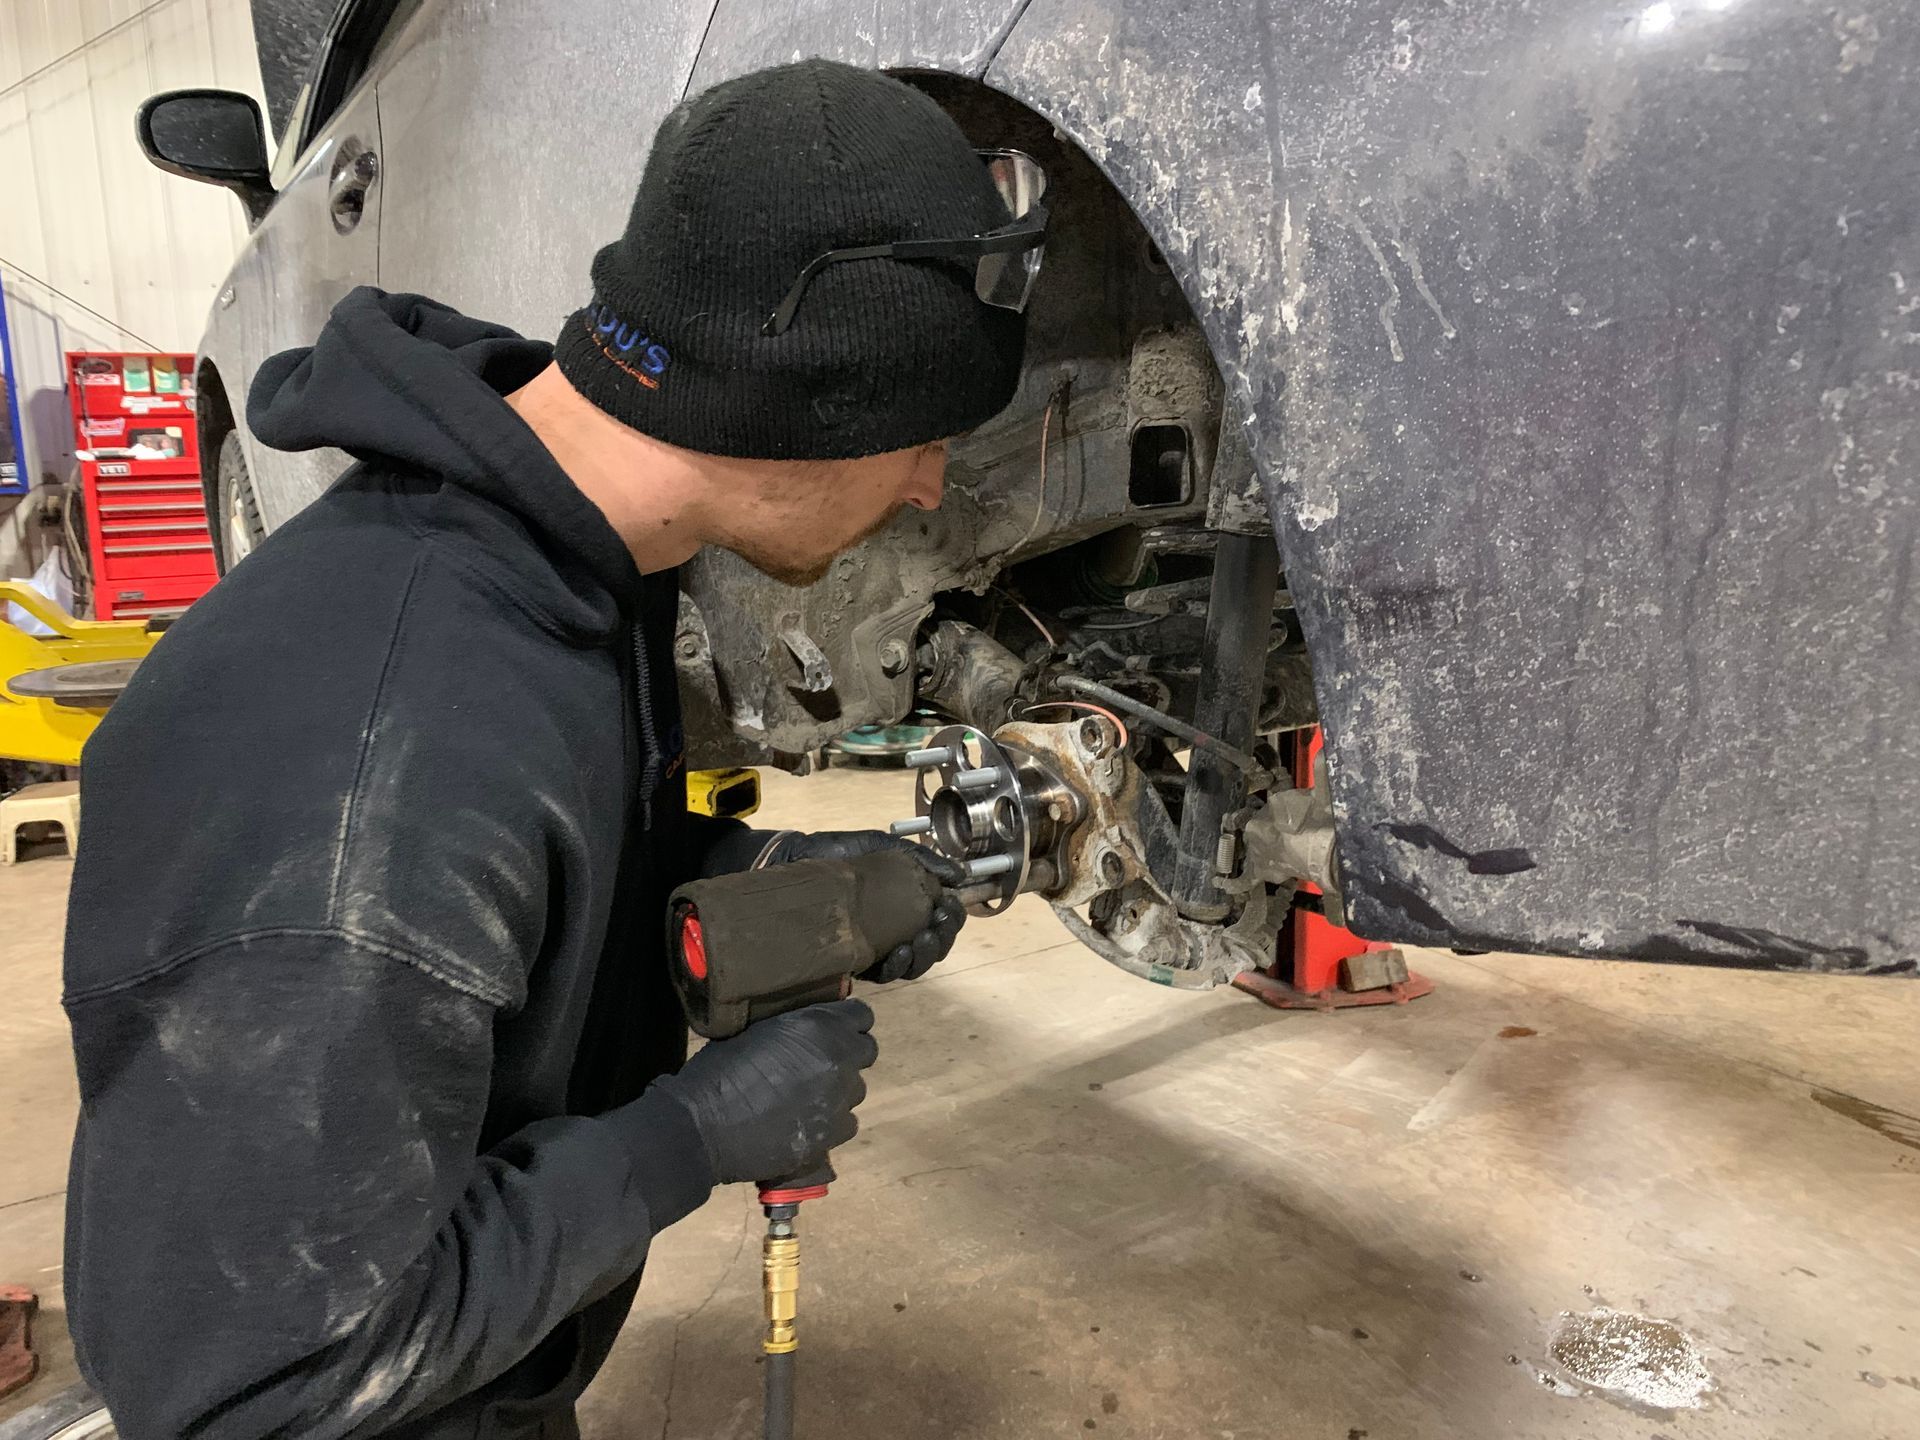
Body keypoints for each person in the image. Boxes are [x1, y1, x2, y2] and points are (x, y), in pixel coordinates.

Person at [61, 59, 1041, 1440]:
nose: (935, 485)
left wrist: (765, 873)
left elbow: (542, 882)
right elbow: (257, 1387)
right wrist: (687, 1138)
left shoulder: (565, 562)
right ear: (803, 405)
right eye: (925, 436)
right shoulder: (375, 768)